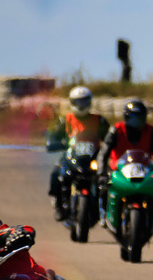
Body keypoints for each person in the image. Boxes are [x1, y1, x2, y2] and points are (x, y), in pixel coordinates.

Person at [96, 100, 153, 219]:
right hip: (118, 172)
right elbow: (103, 153)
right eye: (131, 118)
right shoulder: (116, 130)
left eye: (139, 119)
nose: (135, 123)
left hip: (143, 171)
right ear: (125, 117)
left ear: (144, 118)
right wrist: (101, 173)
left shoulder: (152, 132)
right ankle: (105, 212)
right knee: (104, 187)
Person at [46, 86, 110, 221]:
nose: (81, 105)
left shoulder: (99, 120)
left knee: (108, 179)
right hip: (71, 156)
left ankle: (105, 208)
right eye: (78, 102)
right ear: (71, 102)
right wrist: (55, 143)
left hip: (93, 158)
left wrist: (109, 149)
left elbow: (110, 138)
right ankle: (59, 204)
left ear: (90, 102)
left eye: (84, 101)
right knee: (56, 174)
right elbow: (53, 137)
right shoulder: (65, 120)